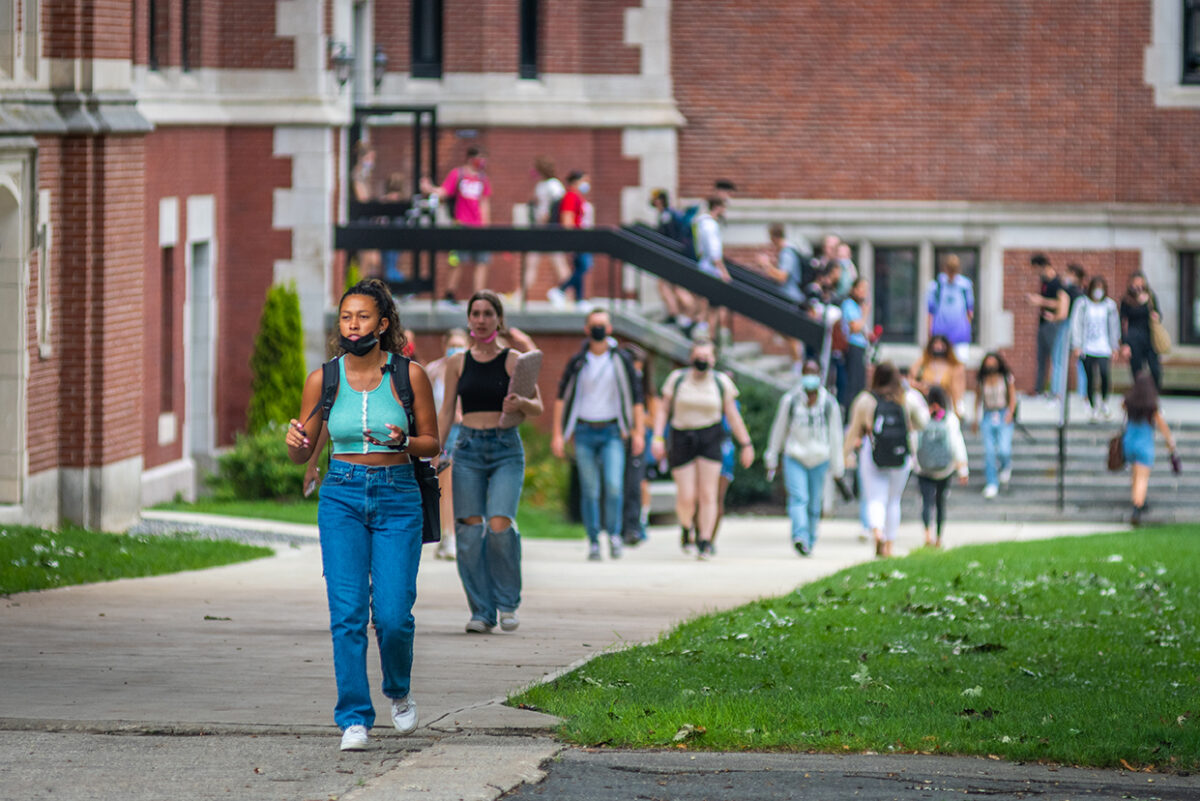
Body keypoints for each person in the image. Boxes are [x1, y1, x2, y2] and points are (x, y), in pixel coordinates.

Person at [284, 279, 438, 752]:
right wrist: (296, 447)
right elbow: (303, 449)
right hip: (342, 497)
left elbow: (432, 443)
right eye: (347, 317)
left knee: (392, 616)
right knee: (347, 613)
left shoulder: (409, 376)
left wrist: (404, 442)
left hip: (397, 496)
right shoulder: (323, 380)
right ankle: (354, 717)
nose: (353, 325)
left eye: (363, 317)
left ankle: (398, 689)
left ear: (383, 323)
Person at [437, 290, 543, 633]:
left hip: (505, 449)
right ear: (469, 319)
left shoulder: (514, 360)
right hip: (467, 447)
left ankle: (507, 603)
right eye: (475, 313)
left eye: (488, 313)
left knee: (499, 525)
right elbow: (445, 411)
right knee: (468, 532)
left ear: (499, 319)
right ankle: (481, 611)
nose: (481, 320)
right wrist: (437, 450)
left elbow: (537, 406)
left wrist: (520, 405)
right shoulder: (458, 363)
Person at [551, 309, 645, 561]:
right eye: (594, 325)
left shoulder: (621, 360)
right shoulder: (578, 361)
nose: (598, 329)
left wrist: (638, 432)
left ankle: (614, 535)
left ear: (610, 328)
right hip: (584, 431)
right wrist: (558, 434)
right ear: (586, 329)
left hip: (613, 431)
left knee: (614, 485)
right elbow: (561, 397)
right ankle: (593, 540)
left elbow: (637, 397)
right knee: (590, 489)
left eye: (602, 324)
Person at [651, 339, 754, 560]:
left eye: (707, 357)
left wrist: (746, 443)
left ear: (714, 359)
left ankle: (705, 540)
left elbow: (733, 415)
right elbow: (663, 410)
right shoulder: (677, 379)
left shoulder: (721, 382)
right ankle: (687, 526)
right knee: (687, 496)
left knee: (709, 493)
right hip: (682, 437)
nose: (702, 361)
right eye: (699, 356)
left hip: (710, 436)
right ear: (690, 357)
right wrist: (658, 437)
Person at [844, 361, 929, 558]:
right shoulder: (907, 398)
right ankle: (889, 544)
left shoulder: (866, 400)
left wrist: (845, 454)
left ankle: (878, 533)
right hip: (901, 455)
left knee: (875, 498)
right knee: (893, 501)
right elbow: (923, 423)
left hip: (872, 453)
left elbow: (854, 428)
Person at [764, 360, 844, 557]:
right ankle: (799, 536)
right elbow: (779, 429)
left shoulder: (828, 403)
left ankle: (810, 538)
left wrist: (837, 466)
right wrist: (772, 456)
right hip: (795, 456)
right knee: (799, 498)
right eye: (807, 372)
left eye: (814, 372)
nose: (810, 376)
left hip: (820, 458)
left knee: (814, 502)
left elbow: (835, 435)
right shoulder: (790, 401)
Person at [420, 147, 491, 304]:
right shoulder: (457, 174)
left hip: (478, 226)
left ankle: (479, 297)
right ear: (470, 158)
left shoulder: (483, 179)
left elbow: (485, 203)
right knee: (458, 260)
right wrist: (429, 189)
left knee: (482, 262)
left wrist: (486, 225)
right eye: (479, 157)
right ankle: (449, 293)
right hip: (461, 224)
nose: (481, 162)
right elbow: (444, 192)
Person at [426, 328, 470, 559]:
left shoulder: (472, 368)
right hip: (444, 432)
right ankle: (448, 535)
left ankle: (458, 534)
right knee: (446, 486)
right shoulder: (434, 370)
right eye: (452, 344)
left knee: (463, 486)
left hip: (466, 432)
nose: (456, 349)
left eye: (460, 344)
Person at [913, 385, 969, 548]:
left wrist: (914, 462)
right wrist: (962, 469)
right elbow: (957, 444)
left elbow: (915, 441)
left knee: (926, 501)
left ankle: (927, 535)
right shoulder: (950, 418)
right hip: (945, 469)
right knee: (940, 502)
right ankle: (938, 537)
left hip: (923, 469)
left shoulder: (922, 417)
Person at [1121, 373, 1177, 525]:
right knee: (1142, 478)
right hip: (1144, 444)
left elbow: (1122, 410)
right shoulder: (1152, 407)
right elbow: (1162, 426)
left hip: (1129, 442)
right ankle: (1137, 507)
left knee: (1135, 474)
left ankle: (1138, 500)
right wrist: (1170, 442)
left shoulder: (1129, 402)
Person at [620, 344, 657, 546]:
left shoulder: (646, 393)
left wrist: (640, 420)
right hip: (624, 436)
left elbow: (654, 418)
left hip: (643, 440)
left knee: (640, 483)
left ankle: (639, 522)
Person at [1070, 275, 1120, 422]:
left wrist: (1114, 346)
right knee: (1090, 377)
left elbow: (1114, 326)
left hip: (1104, 347)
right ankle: (1092, 406)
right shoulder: (1083, 304)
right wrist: (1077, 345)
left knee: (1104, 374)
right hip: (1088, 347)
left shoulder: (1109, 306)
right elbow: (1076, 324)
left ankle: (1104, 402)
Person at [523, 157, 569, 302]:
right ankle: (521, 295)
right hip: (539, 230)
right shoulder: (540, 186)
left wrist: (549, 219)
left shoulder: (554, 185)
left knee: (559, 263)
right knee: (531, 262)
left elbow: (558, 204)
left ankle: (569, 295)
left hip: (550, 230)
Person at [973, 352, 1017, 499]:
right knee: (989, 451)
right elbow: (977, 399)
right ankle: (992, 482)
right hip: (988, 415)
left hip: (1003, 413)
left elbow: (1012, 397)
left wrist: (1010, 413)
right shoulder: (982, 380)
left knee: (1004, 448)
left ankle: (1005, 465)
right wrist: (975, 418)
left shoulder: (1006, 378)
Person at [547, 171, 593, 309]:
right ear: (576, 181)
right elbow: (567, 218)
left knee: (580, 266)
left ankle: (579, 299)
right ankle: (561, 290)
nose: (587, 184)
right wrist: (571, 239)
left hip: (580, 236)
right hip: (576, 237)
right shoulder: (571, 196)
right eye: (584, 181)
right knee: (584, 265)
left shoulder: (577, 197)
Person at [1027, 253, 1070, 398]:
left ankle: (1056, 390)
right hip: (1043, 323)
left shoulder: (1057, 282)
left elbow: (1061, 303)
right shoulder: (1044, 282)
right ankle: (1039, 388)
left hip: (1053, 323)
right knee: (1041, 357)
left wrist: (1041, 301)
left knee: (1055, 357)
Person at [691, 197, 732, 340]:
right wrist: (723, 271)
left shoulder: (701, 223)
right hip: (710, 269)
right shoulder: (709, 225)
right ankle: (708, 337)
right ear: (717, 207)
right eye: (723, 207)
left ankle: (708, 335)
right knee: (711, 306)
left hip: (705, 266)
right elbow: (714, 251)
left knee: (709, 304)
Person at [926, 253, 975, 364]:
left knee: (960, 365)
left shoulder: (965, 286)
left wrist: (965, 329)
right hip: (940, 337)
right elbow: (930, 312)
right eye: (950, 269)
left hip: (960, 337)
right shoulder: (936, 286)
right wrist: (930, 335)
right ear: (945, 269)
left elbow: (970, 311)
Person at [1119, 272, 1164, 391]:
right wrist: (1124, 343)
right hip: (1134, 338)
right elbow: (1122, 322)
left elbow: (1159, 314)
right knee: (1137, 370)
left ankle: (1153, 396)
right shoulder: (1127, 300)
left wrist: (1155, 315)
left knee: (1155, 369)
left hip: (1150, 337)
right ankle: (1140, 397)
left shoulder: (1150, 297)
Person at [910, 335, 966, 418]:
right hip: (925, 404)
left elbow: (957, 390)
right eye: (935, 344)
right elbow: (910, 380)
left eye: (941, 345)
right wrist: (921, 386)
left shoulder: (954, 367)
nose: (938, 347)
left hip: (945, 404)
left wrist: (958, 409)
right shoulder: (923, 363)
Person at [839, 278, 871, 415]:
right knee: (853, 384)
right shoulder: (849, 305)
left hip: (861, 347)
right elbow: (855, 327)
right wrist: (864, 314)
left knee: (860, 384)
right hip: (853, 347)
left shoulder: (857, 306)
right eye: (861, 289)